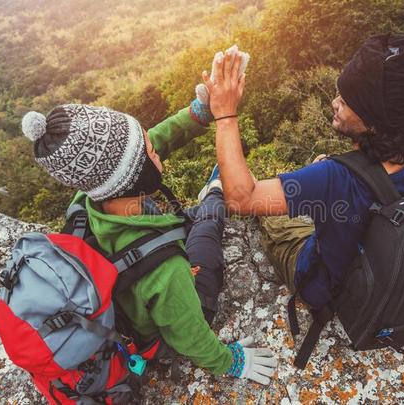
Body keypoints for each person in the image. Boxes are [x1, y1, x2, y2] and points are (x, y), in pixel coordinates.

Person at [20, 96, 277, 384]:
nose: (157, 151)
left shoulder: (88, 200)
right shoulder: (168, 271)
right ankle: (215, 191)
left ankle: (210, 198)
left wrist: (198, 111)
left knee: (189, 219)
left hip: (126, 297)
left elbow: (153, 142)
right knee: (206, 224)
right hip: (157, 330)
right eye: (151, 151)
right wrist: (229, 361)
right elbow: (189, 335)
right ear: (134, 174)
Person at [203, 33, 404, 311]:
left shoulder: (335, 177)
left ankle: (214, 184)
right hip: (375, 273)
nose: (335, 102)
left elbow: (241, 199)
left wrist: (224, 113)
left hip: (326, 290)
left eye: (347, 101)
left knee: (273, 219)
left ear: (372, 121)